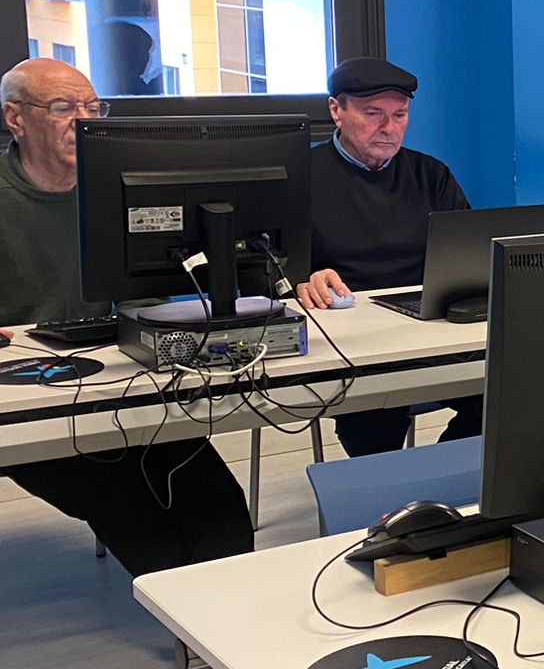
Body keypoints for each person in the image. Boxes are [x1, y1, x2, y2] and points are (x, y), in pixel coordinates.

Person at [0, 59, 255, 576]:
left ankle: (221, 613)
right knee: (137, 517)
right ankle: (187, 609)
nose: (83, 120)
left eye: (93, 108)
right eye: (62, 107)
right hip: (34, 400)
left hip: (127, 383)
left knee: (221, 511)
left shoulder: (123, 185)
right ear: (15, 118)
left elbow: (154, 288)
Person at [295, 60, 476, 460]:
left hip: (431, 331)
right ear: (336, 110)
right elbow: (265, 268)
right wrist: (302, 280)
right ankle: (397, 487)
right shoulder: (300, 177)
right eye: (373, 114)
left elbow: (468, 257)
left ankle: (434, 478)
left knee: (505, 393)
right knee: (374, 424)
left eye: (399, 115)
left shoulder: (430, 175)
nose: (389, 127)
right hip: (352, 343)